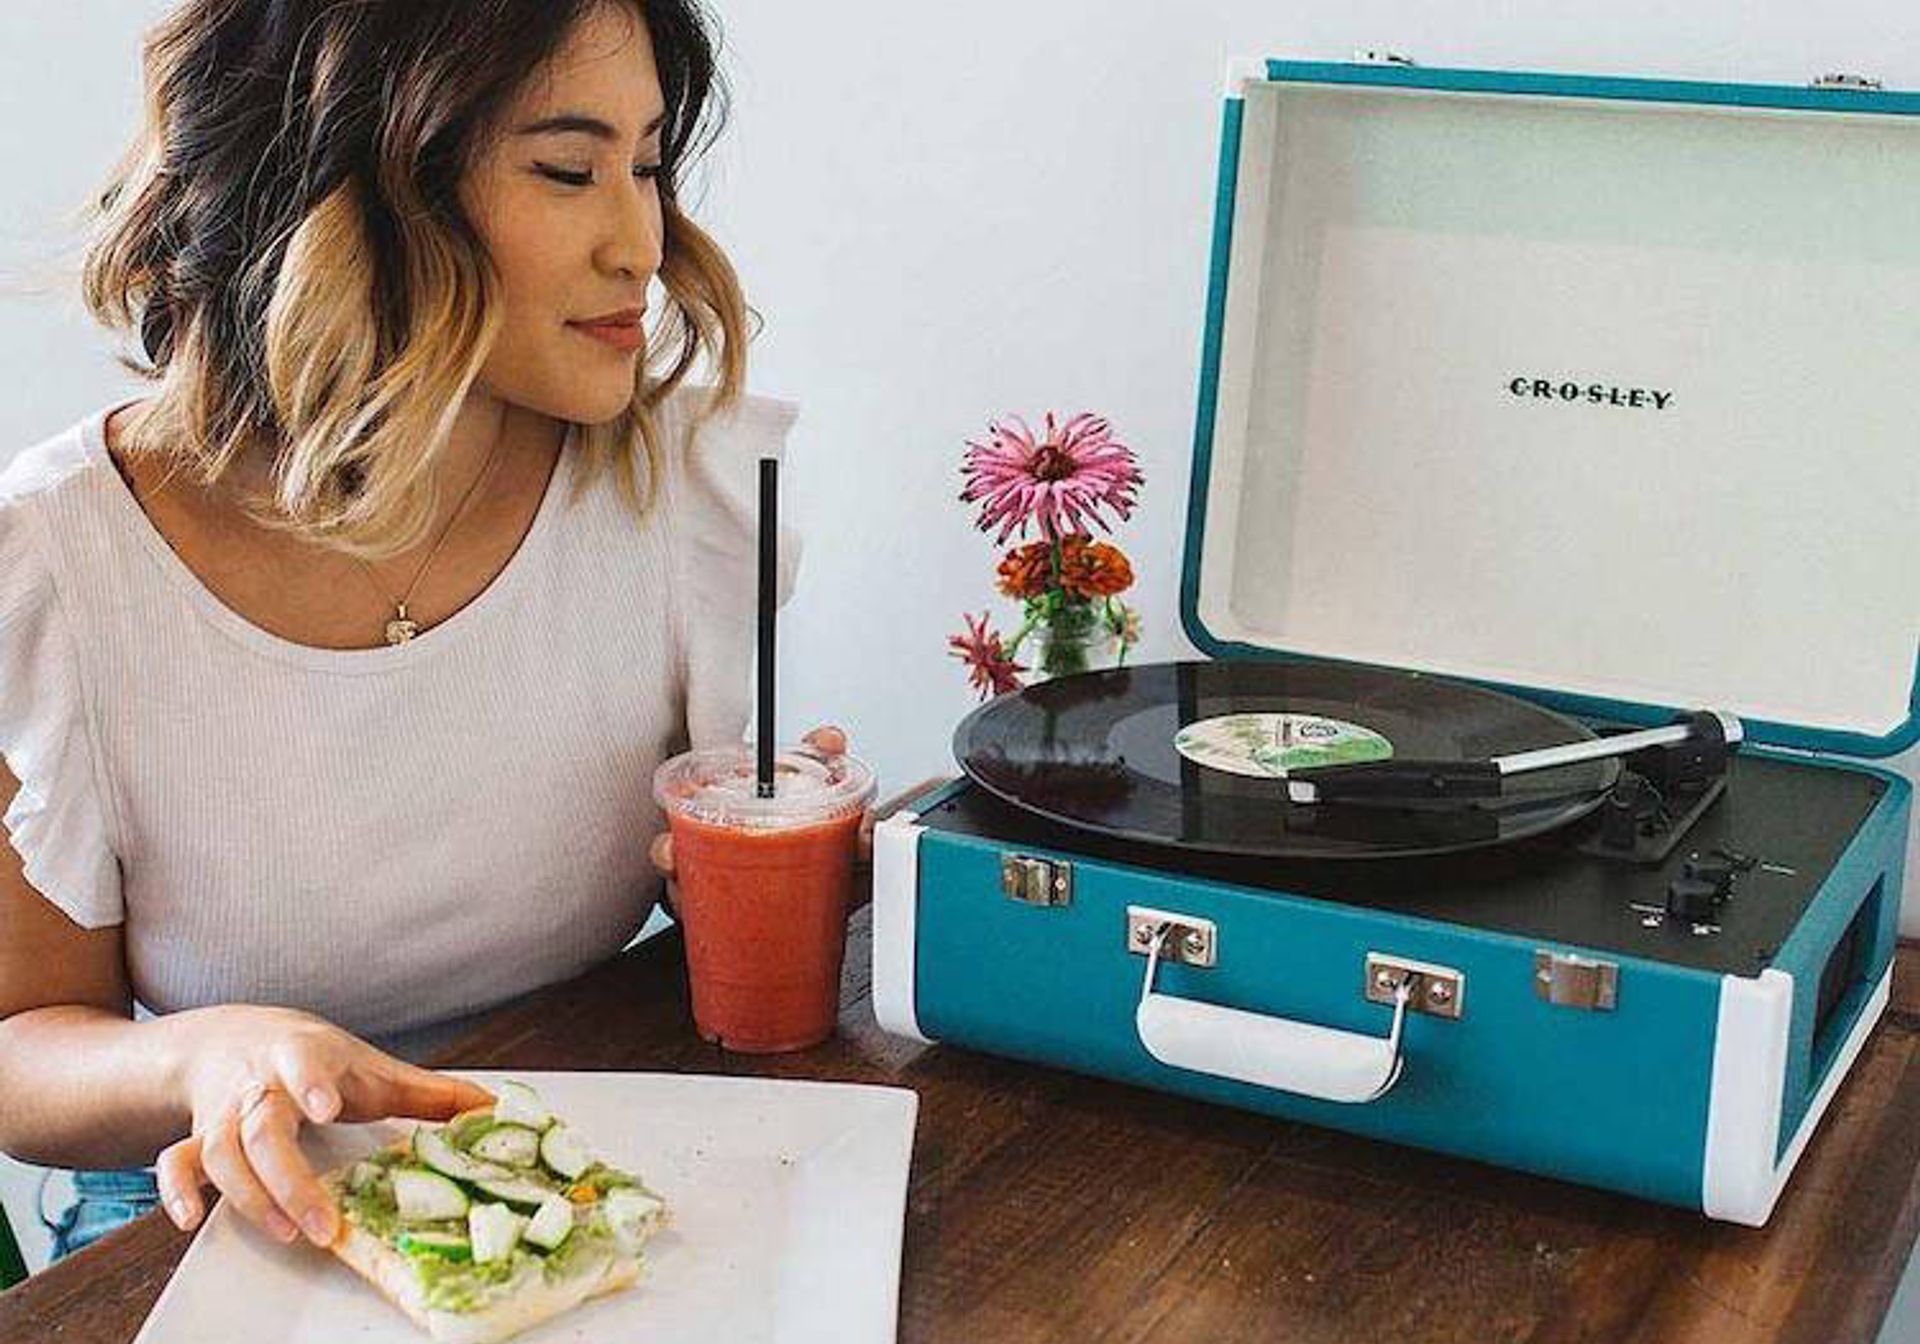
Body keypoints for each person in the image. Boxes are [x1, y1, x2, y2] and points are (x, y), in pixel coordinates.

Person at [0, 0, 853, 1262]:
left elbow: (718, 926)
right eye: (568, 170)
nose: (644, 243)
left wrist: (784, 876)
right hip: (223, 1207)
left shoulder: (689, 489)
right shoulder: (54, 567)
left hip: (588, 1136)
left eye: (649, 165)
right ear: (342, 189)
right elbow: (21, 1046)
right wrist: (208, 1058)